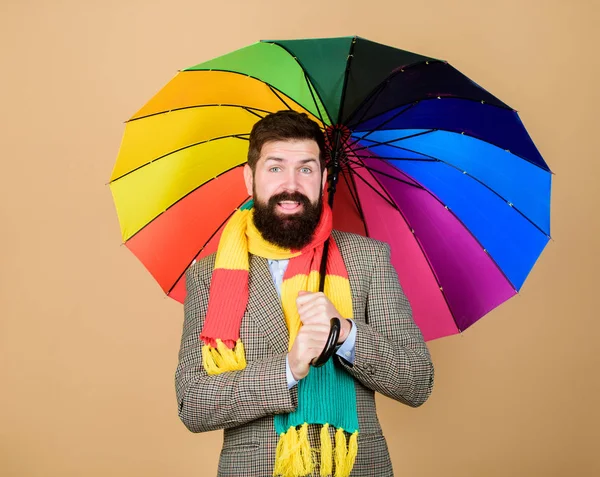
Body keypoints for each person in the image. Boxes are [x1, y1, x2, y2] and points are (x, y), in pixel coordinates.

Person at [175, 110, 434, 477]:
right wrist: (287, 369)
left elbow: (417, 381)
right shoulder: (208, 275)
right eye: (275, 168)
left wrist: (345, 334)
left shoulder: (368, 259)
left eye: (306, 168)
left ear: (325, 178)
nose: (291, 184)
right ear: (250, 177)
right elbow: (193, 404)